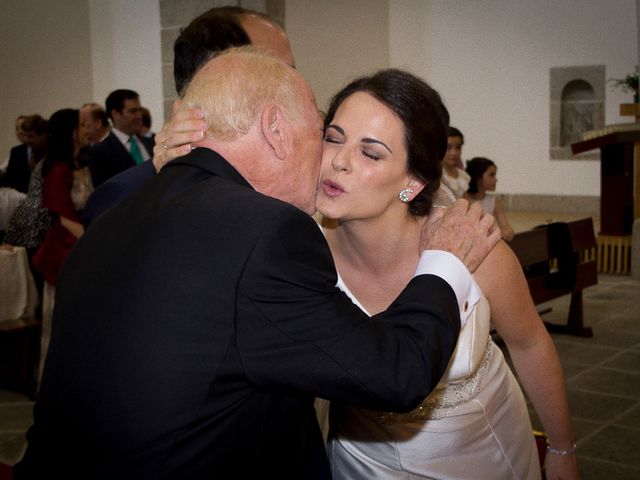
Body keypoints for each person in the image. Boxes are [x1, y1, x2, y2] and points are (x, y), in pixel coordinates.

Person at [13, 48, 499, 479]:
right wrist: (444, 259)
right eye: (324, 133)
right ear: (276, 130)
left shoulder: (117, 217)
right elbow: (396, 373)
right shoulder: (265, 231)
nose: (331, 162)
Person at [316, 70, 578, 480]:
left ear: (412, 182)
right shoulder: (300, 252)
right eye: (333, 137)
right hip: (359, 459)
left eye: (371, 153)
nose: (337, 161)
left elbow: (528, 343)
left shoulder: (470, 244)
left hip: (477, 453)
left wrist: (561, 449)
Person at [81, 6, 287, 227]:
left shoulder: (287, 183)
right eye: (279, 72)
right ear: (221, 78)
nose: (293, 88)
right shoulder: (123, 198)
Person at [31, 108, 90, 387]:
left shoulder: (80, 162)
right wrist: (94, 240)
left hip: (79, 246)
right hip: (65, 251)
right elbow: (64, 217)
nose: (87, 128)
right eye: (81, 125)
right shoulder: (57, 168)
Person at [86, 89, 154, 188]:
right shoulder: (100, 152)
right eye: (133, 111)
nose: (139, 115)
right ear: (116, 114)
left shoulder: (151, 143)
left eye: (140, 110)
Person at [465, 156, 515, 241]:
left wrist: (506, 233)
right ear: (478, 177)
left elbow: (506, 229)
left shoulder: (494, 201)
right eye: (491, 175)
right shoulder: (463, 200)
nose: (496, 179)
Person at [441, 125, 471, 200]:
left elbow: (466, 201)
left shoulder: (463, 176)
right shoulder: (436, 175)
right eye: (448, 148)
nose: (454, 153)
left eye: (458, 147)